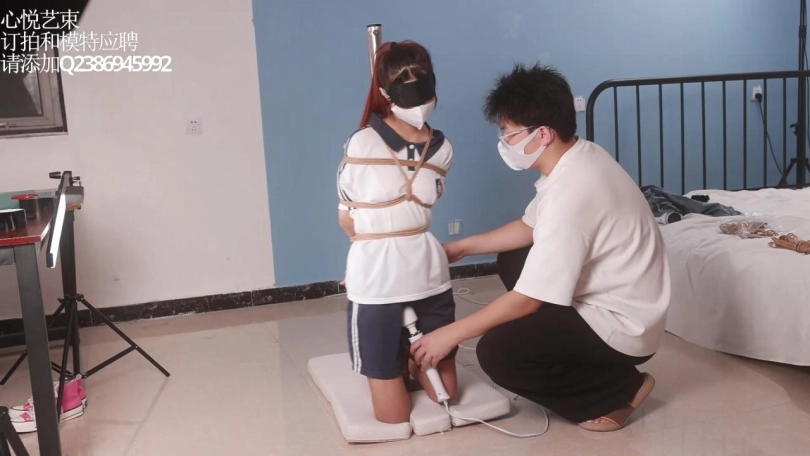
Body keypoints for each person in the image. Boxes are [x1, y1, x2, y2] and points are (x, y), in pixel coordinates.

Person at [410, 63, 671, 432]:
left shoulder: (572, 192)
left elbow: (528, 300)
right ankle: (577, 357)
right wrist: (459, 249)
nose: (504, 143)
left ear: (543, 134)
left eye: (509, 133)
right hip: (616, 297)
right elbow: (530, 226)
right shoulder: (579, 156)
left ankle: (618, 390)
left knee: (497, 353)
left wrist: (449, 334)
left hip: (625, 327)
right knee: (513, 258)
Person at [336, 40, 458, 424]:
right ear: (386, 93)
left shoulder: (443, 149)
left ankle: (412, 355)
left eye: (423, 85)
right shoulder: (361, 143)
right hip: (376, 279)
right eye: (406, 88)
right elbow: (348, 219)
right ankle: (395, 359)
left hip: (428, 272)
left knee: (448, 392)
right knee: (394, 415)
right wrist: (375, 255)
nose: (418, 99)